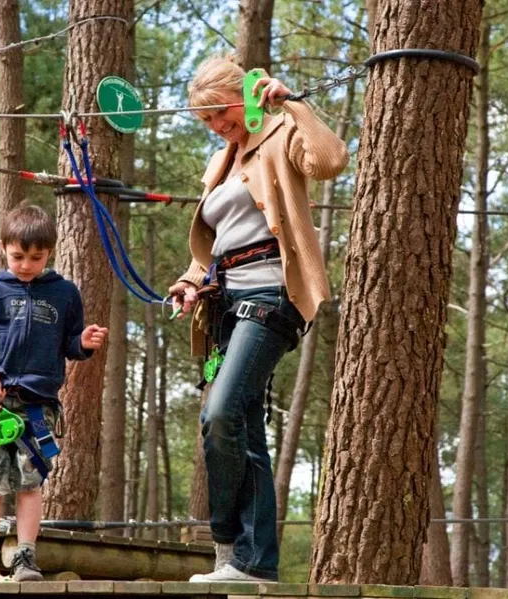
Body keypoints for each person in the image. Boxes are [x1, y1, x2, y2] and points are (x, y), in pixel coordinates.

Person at [168, 55, 348, 582]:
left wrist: (293, 105)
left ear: (243, 97)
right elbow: (215, 245)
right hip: (226, 303)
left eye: (220, 113)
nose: (216, 126)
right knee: (243, 427)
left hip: (273, 293)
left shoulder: (279, 134)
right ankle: (252, 563)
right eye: (206, 120)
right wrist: (190, 281)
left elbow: (331, 161)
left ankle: (231, 548)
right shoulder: (220, 162)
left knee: (220, 412)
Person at [0, 203, 108, 581]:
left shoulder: (65, 293)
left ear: (50, 253)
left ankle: (25, 556)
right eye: (18, 257)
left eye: (36, 257)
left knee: (31, 481)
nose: (26, 265)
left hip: (38, 407)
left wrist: (84, 343)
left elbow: (70, 342)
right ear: (3, 249)